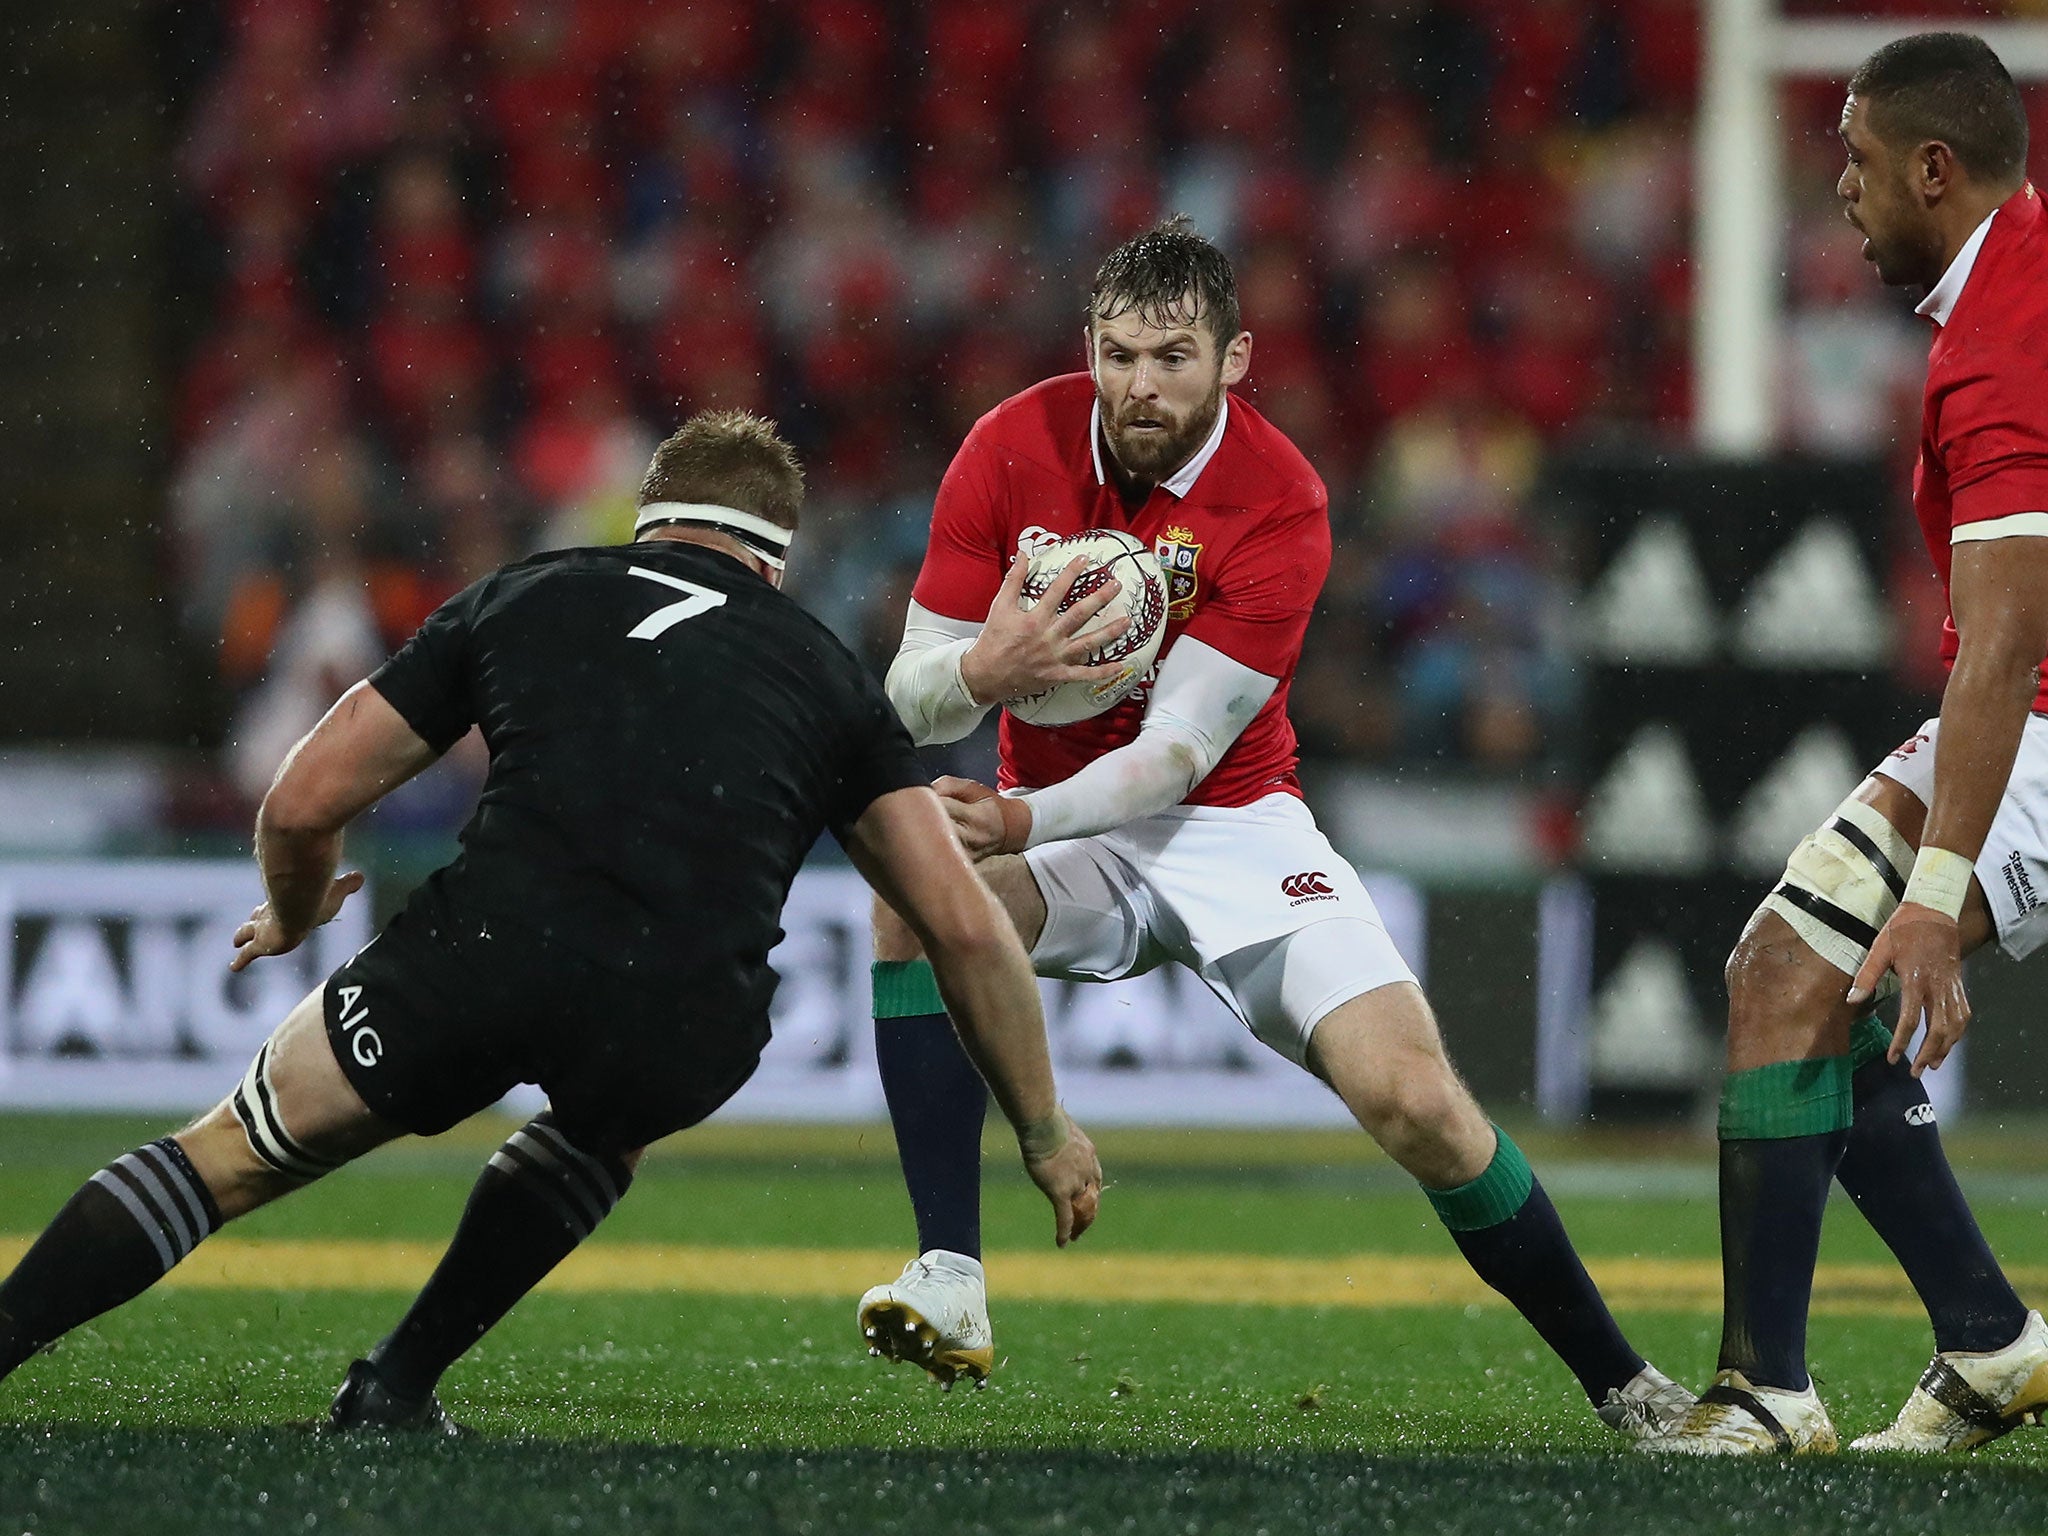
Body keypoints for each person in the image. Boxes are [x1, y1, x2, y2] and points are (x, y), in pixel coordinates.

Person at [0, 410, 1102, 1430]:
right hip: (680, 1011)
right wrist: (1044, 1134)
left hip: (488, 949)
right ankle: (396, 1386)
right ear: (776, 560)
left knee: (235, 1154)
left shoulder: (526, 593)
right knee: (603, 1118)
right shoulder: (827, 676)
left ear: (647, 521)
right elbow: (961, 930)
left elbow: (299, 803)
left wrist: (293, 914)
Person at [853, 217, 1692, 1439]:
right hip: (1063, 833)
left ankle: (1627, 1386)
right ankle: (951, 1277)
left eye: (1173, 358)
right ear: (1089, 346)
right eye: (1120, 354)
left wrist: (1021, 810)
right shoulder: (1009, 443)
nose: (1141, 385)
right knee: (908, 891)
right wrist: (987, 668)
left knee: (1416, 1102)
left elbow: (1178, 756)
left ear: (1233, 360)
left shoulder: (1280, 497)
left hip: (1234, 824)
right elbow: (906, 687)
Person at [1652, 33, 2048, 1456]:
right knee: (1830, 995)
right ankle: (1990, 1341)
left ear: (1934, 171)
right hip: (2015, 710)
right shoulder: (2019, 278)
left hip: (2038, 721)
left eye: (1861, 164)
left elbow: (2008, 645)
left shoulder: (1999, 350)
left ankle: (1767, 1389)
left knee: (1785, 978)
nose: (1840, 192)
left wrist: (1936, 904)